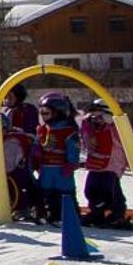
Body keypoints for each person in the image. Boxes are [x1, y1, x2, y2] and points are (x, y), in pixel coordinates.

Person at [34, 91, 83, 226]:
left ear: (58, 112)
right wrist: (36, 152)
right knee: (46, 192)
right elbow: (37, 143)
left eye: (46, 113)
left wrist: (71, 163)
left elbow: (73, 148)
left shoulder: (68, 131)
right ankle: (49, 213)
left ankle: (69, 215)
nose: (44, 117)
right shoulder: (42, 129)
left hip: (61, 169)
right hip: (46, 169)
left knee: (64, 193)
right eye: (42, 113)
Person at [80, 100, 130, 227]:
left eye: (99, 117)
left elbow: (123, 133)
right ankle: (96, 212)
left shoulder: (115, 129)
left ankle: (117, 214)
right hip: (96, 165)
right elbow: (83, 124)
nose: (96, 120)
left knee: (111, 192)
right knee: (91, 190)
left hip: (112, 166)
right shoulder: (90, 128)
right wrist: (88, 133)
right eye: (94, 117)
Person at [1, 96, 39, 221]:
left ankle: (28, 207)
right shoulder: (4, 111)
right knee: (8, 183)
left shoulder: (26, 110)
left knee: (23, 181)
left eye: (10, 97)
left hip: (22, 159)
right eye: (5, 97)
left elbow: (31, 133)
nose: (7, 100)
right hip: (7, 160)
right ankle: (10, 205)